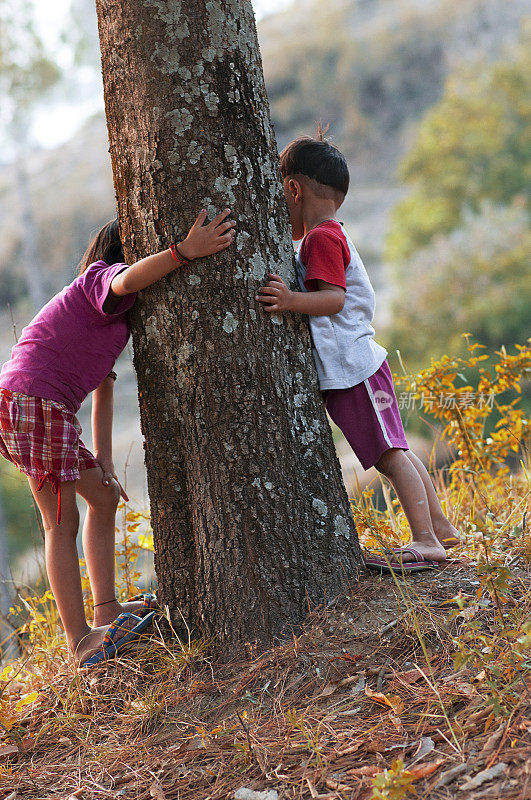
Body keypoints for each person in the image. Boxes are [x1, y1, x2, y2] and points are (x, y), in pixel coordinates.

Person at [0, 209, 236, 665]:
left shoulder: (112, 324)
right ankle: (79, 641)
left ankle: (106, 610)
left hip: (40, 409)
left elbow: (103, 386)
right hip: (33, 404)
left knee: (104, 498)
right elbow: (127, 281)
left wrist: (105, 462)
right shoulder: (99, 281)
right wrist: (184, 252)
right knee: (60, 525)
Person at [256, 133, 460, 571]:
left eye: (279, 195)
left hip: (353, 370)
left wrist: (290, 301)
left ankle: (426, 541)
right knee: (396, 450)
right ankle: (440, 525)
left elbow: (331, 299)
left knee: (389, 456)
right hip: (363, 366)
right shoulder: (332, 234)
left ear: (294, 190)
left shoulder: (320, 240)